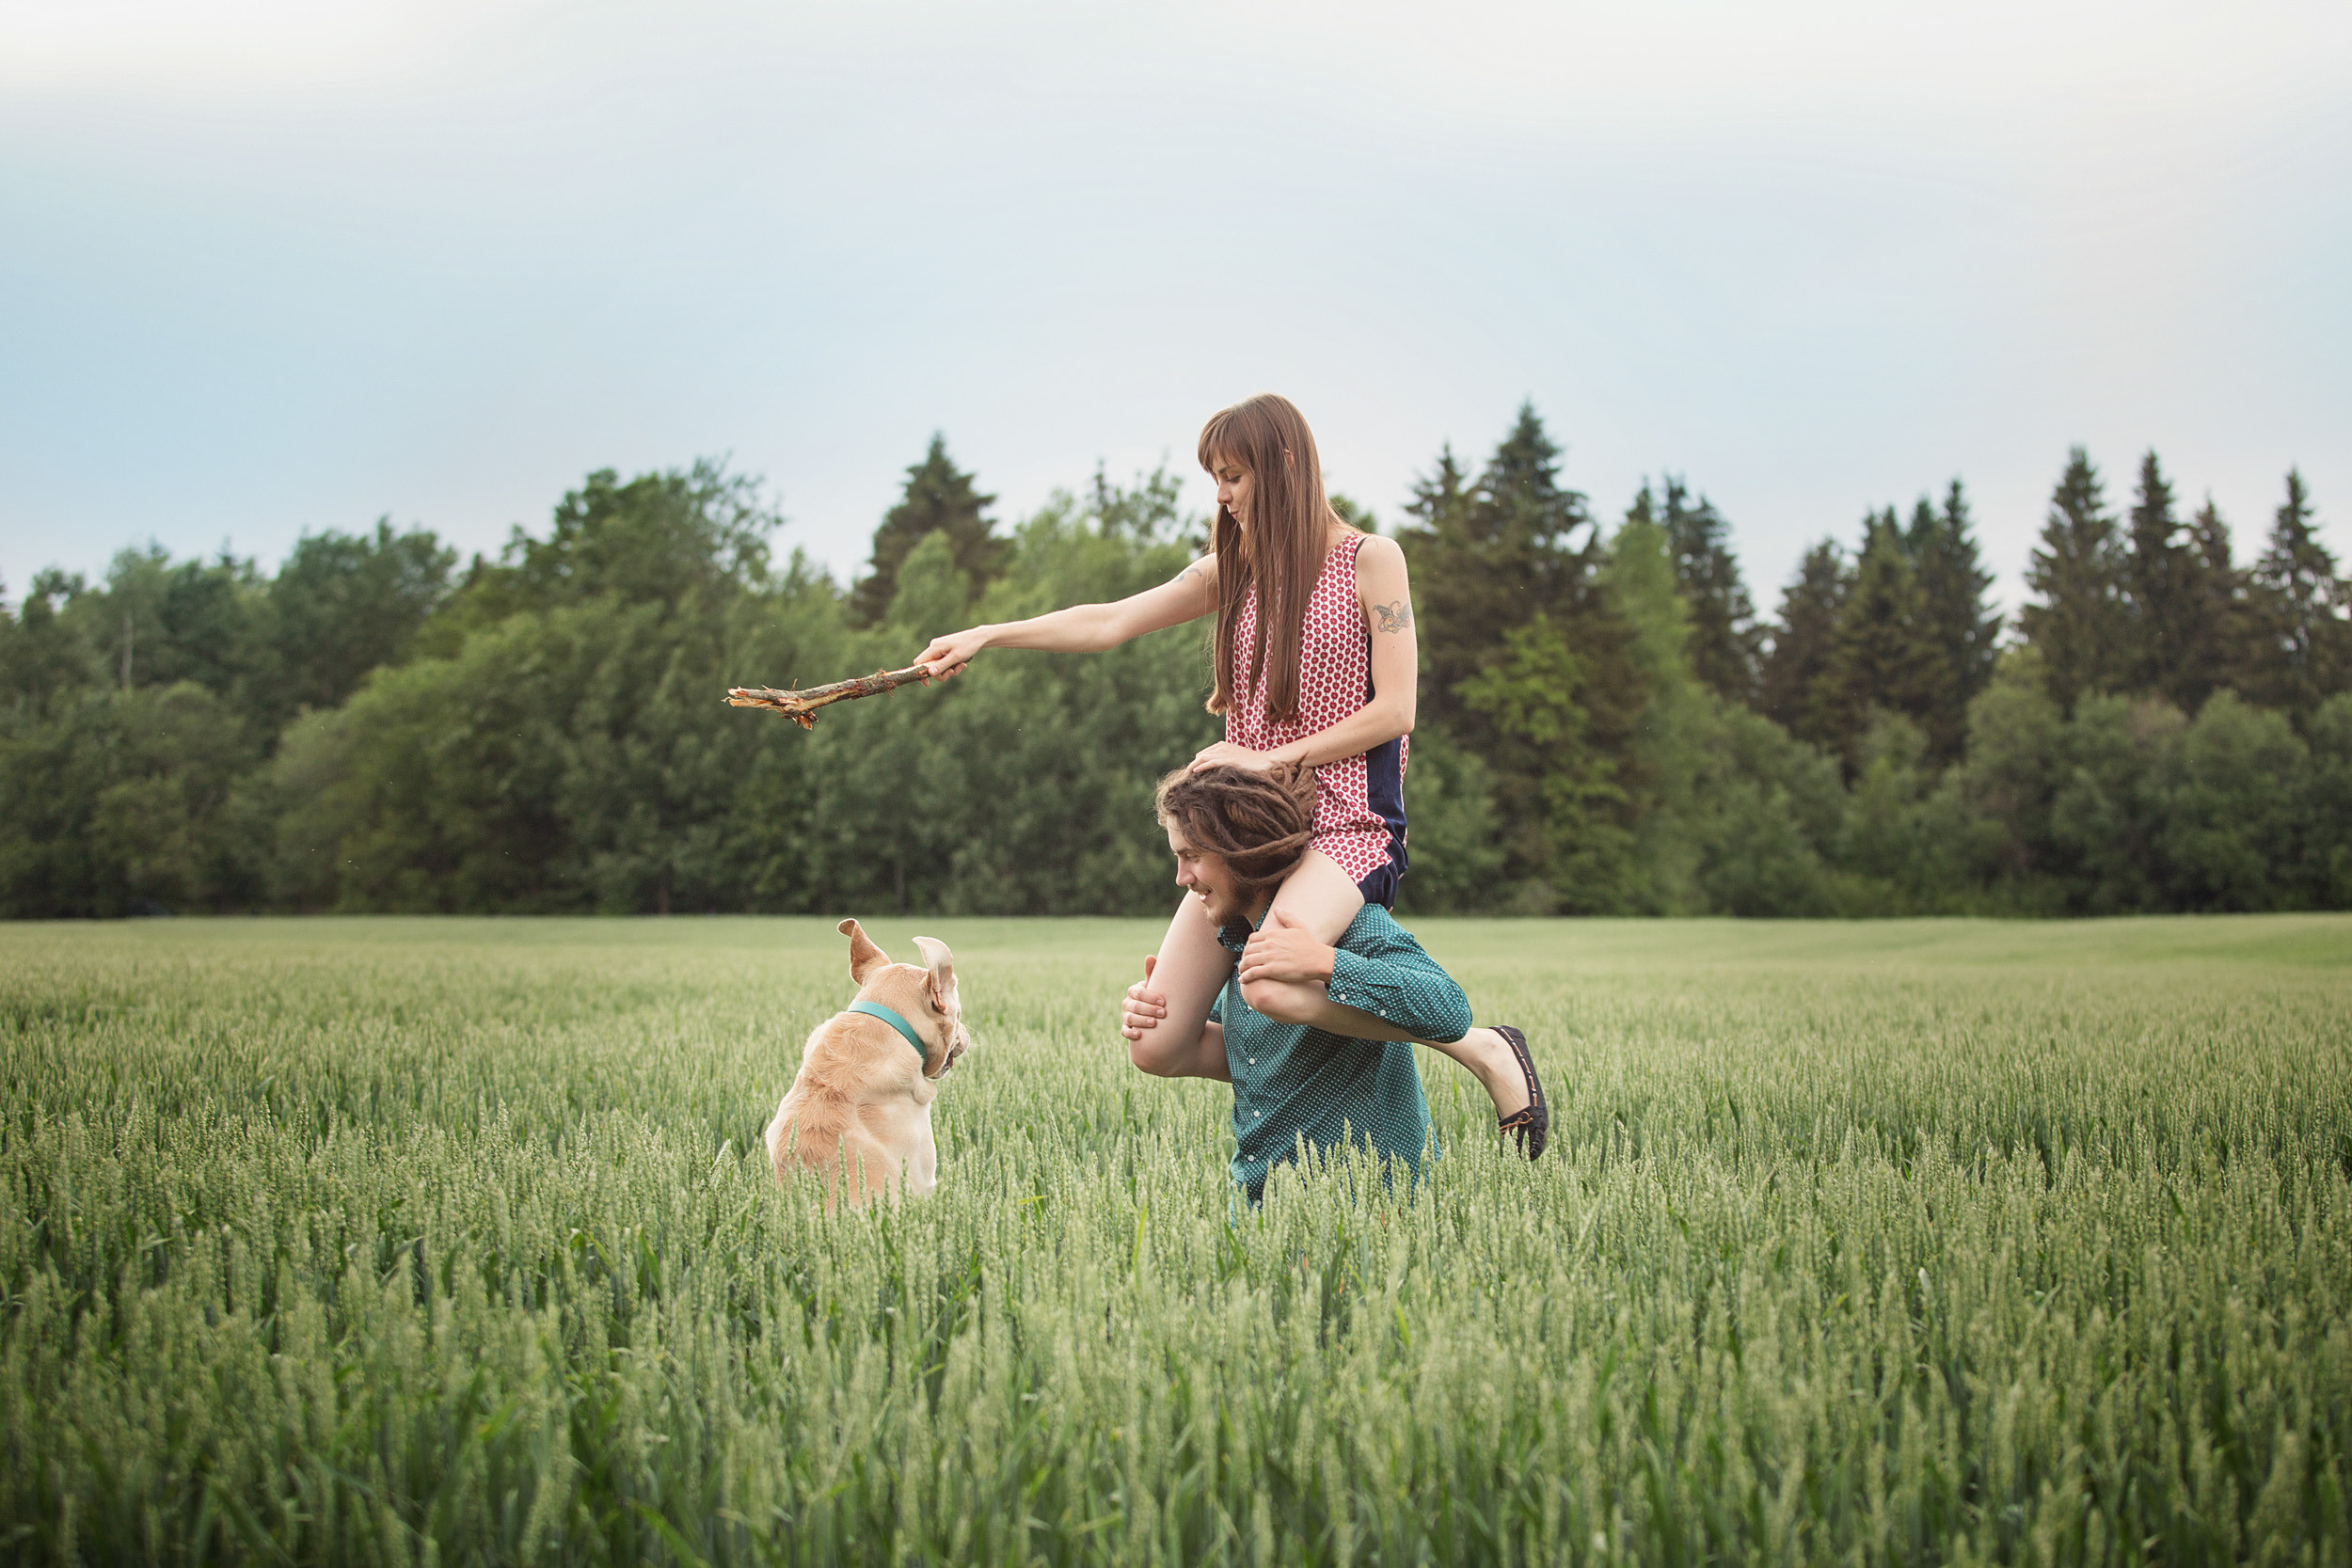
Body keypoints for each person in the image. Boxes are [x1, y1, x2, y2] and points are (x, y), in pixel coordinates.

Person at [914, 392, 1546, 1154]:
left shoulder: (1371, 561)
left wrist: (1269, 756)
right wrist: (989, 633)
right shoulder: (1234, 570)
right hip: (1245, 832)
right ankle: (1309, 1072)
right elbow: (1110, 620)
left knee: (1272, 982)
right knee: (1155, 1042)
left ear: (1283, 465)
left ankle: (1476, 1045)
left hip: (1345, 825)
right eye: (1215, 475)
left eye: (1233, 474)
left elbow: (1398, 710)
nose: (1221, 493)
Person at [1121, 764, 1524, 1200]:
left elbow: (1450, 1009)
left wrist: (1328, 963)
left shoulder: (1351, 926)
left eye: (1192, 857)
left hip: (1371, 1207)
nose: (1182, 879)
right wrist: (1158, 1011)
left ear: (1242, 850)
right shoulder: (1236, 946)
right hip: (1260, 1207)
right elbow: (1255, 1042)